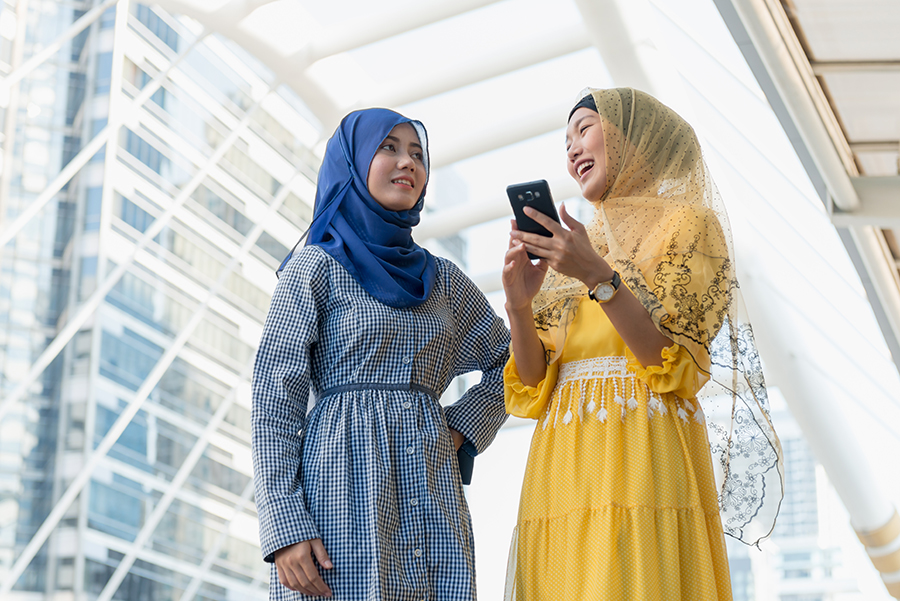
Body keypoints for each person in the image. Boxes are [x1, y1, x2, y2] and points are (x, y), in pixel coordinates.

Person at [501, 88, 783, 600]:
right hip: (563, 464)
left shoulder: (687, 227)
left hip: (642, 452)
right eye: (565, 141)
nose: (571, 150)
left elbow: (674, 365)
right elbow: (532, 385)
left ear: (636, 136)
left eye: (584, 128)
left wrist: (598, 277)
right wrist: (520, 305)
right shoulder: (581, 248)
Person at [252, 108, 510, 601]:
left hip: (432, 496)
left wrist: (462, 428)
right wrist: (284, 526)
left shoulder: (445, 282)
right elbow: (273, 398)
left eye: (417, 153)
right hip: (338, 494)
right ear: (351, 162)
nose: (407, 162)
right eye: (388, 147)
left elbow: (512, 362)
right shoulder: (315, 268)